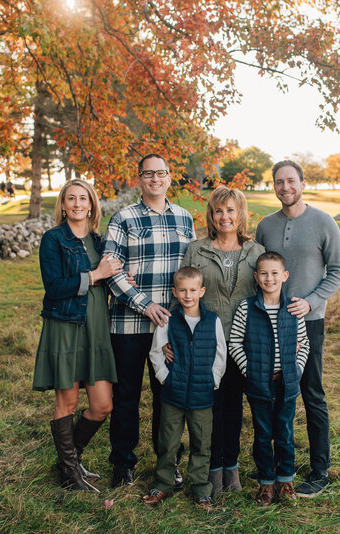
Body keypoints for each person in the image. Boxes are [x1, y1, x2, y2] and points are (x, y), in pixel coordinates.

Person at [254, 160, 340, 498]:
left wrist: (310, 301)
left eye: (290, 181)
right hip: (270, 324)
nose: (285, 187)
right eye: (279, 182)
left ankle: (320, 468)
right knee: (272, 396)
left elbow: (337, 272)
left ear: (302, 183)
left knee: (311, 394)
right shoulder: (265, 226)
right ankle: (278, 465)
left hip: (308, 323)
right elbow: (258, 270)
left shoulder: (324, 223)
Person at [103, 153, 195, 487]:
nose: (155, 179)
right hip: (128, 325)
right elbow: (111, 271)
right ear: (139, 179)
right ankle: (123, 463)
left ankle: (168, 462)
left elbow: (189, 272)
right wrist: (145, 305)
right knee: (125, 396)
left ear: (170, 178)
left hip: (169, 326)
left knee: (167, 396)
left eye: (161, 173)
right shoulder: (123, 218)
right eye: (148, 174)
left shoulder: (184, 218)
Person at [32, 179, 123, 492]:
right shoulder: (53, 239)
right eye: (70, 198)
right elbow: (54, 287)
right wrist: (96, 275)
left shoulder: (99, 241)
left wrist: (118, 277)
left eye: (83, 198)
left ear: (92, 204)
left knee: (102, 405)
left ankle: (69, 460)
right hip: (66, 326)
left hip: (97, 326)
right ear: (63, 204)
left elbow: (110, 275)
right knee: (67, 402)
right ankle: (71, 475)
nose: (76, 204)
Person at [178, 186, 264, 496]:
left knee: (234, 409)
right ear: (211, 216)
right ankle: (212, 468)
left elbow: (265, 297)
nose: (224, 216)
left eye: (230, 210)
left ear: (240, 214)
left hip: (243, 346)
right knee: (208, 410)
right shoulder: (196, 250)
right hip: (204, 346)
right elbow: (182, 297)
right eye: (218, 211)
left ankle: (232, 467)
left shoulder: (255, 252)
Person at [228, 252, 310, 506]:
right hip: (258, 383)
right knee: (263, 435)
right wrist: (249, 371)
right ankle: (266, 484)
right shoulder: (247, 307)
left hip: (287, 383)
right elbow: (235, 343)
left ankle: (285, 480)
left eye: (275, 273)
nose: (269, 278)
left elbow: (304, 343)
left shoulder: (293, 308)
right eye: (263, 273)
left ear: (284, 276)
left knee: (284, 433)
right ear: (256, 277)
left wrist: (296, 369)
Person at [143, 267, 227, 511]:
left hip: (203, 395)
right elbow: (156, 351)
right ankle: (163, 485)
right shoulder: (169, 319)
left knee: (202, 444)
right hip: (173, 393)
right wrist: (164, 378)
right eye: (182, 290)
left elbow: (220, 354)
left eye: (192, 290)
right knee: (168, 442)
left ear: (201, 291)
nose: (188, 295)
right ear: (175, 292)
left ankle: (201, 490)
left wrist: (213, 380)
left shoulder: (213, 321)